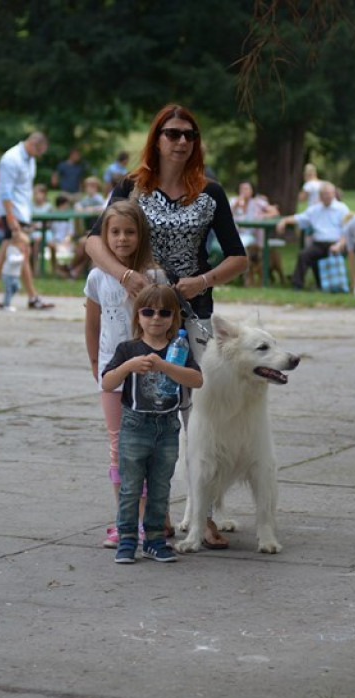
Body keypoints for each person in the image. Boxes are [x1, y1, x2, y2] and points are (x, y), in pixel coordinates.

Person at [86, 103, 248, 548]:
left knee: (200, 421)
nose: (181, 141)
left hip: (192, 316)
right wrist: (124, 276)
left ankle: (203, 516)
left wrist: (204, 279)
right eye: (173, 133)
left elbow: (238, 256)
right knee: (139, 417)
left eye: (190, 135)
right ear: (156, 138)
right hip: (144, 317)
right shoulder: (132, 187)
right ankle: (136, 517)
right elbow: (94, 239)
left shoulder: (209, 192)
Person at [84, 200, 169, 548]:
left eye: (129, 232)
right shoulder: (97, 277)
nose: (121, 239)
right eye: (114, 232)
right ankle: (124, 520)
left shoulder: (156, 277)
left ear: (141, 235)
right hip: (113, 375)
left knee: (149, 448)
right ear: (105, 235)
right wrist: (95, 364)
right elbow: (92, 324)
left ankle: (151, 521)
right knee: (119, 447)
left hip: (148, 376)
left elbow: (167, 323)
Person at [102, 284, 203, 564]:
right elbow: (107, 381)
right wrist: (128, 367)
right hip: (135, 427)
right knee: (131, 486)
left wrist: (167, 366)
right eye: (148, 312)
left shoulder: (179, 349)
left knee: (160, 487)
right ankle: (127, 539)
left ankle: (155, 539)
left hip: (167, 428)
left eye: (164, 312)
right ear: (138, 317)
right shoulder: (128, 349)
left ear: (174, 318)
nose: (156, 318)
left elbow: (197, 380)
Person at [0, 132, 54, 310]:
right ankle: (32, 297)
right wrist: (10, 217)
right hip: (11, 212)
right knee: (22, 251)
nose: (39, 155)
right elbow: (5, 191)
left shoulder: (30, 160)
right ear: (33, 144)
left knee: (8, 251)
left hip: (21, 211)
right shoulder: (11, 159)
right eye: (40, 151)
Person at [276, 181, 349, 289]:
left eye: (329, 193)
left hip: (337, 242)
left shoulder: (342, 208)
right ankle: (297, 285)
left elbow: (347, 230)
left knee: (327, 256)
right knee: (304, 255)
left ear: (333, 194)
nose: (327, 196)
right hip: (319, 243)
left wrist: (339, 245)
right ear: (320, 196)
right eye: (324, 194)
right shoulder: (315, 209)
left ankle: (332, 285)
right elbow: (300, 218)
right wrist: (284, 220)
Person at [1, 230, 29, 311]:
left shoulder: (19, 252)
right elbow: (12, 260)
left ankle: (7, 299)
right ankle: (7, 304)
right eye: (24, 245)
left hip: (15, 274)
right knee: (8, 289)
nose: (24, 247)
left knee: (17, 287)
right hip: (8, 274)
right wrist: (22, 258)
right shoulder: (11, 249)